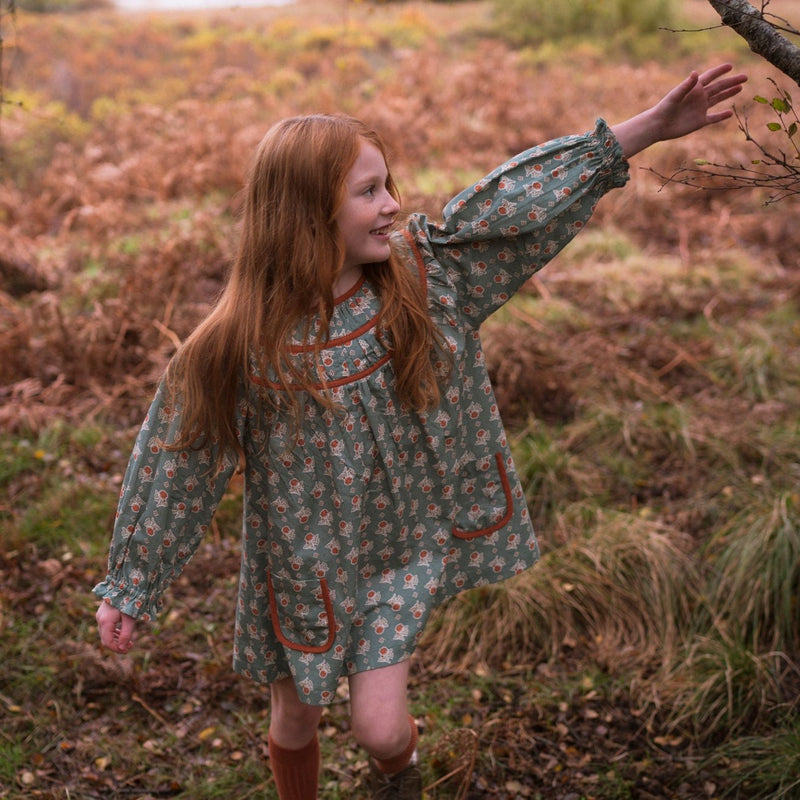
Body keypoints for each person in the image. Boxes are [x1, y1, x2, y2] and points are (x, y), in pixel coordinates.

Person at [95, 63, 747, 800]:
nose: (393, 205)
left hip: (397, 554)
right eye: (368, 192)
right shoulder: (236, 344)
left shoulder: (423, 278)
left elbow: (516, 208)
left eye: (388, 184)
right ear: (306, 213)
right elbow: (176, 461)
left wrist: (644, 132)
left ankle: (399, 780)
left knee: (378, 729)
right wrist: (132, 582)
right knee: (296, 718)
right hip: (302, 566)